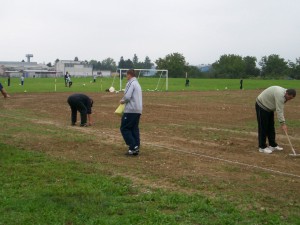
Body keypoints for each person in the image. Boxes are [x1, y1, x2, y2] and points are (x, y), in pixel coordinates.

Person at [255, 86, 296, 154]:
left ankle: (272, 145)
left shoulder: (285, 94)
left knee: (271, 127)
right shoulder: (280, 95)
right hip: (261, 105)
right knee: (263, 127)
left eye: (291, 98)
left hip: (269, 108)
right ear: (287, 93)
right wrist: (283, 123)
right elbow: (279, 110)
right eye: (289, 97)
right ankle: (262, 147)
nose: (289, 99)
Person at [120, 69, 143, 156]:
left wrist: (122, 101)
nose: (126, 76)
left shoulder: (131, 83)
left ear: (129, 75)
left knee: (124, 128)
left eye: (126, 75)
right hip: (138, 110)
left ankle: (132, 146)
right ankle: (136, 147)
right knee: (134, 129)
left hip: (131, 110)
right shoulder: (137, 83)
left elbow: (128, 96)